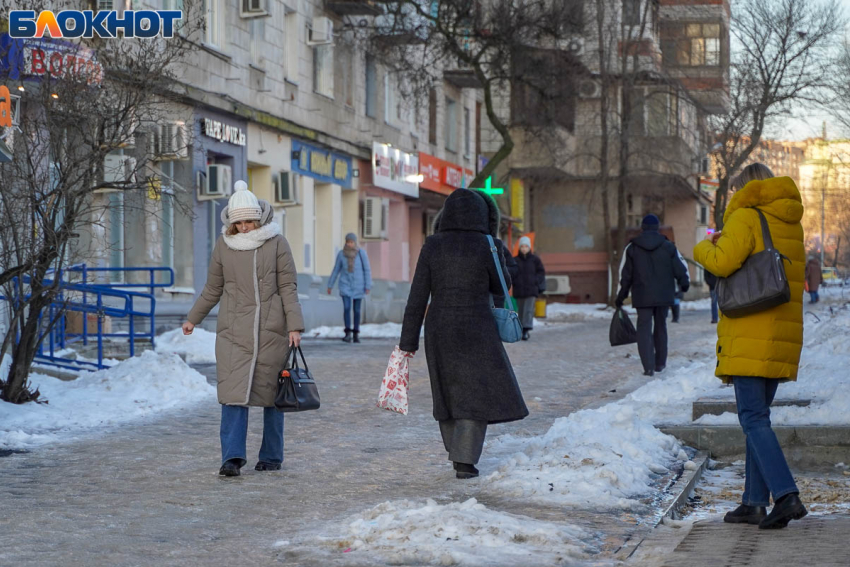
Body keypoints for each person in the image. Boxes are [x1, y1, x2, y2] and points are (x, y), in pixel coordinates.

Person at [694, 163, 807, 530]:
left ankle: (786, 495)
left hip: (750, 331)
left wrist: (702, 247)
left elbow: (724, 262)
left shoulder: (746, 216)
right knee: (758, 419)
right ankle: (754, 502)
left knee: (752, 419)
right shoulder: (790, 221)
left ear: (744, 189)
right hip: (780, 334)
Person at [399, 189, 528, 480]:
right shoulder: (487, 244)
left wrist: (407, 341)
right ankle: (465, 459)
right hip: (477, 327)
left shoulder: (432, 245)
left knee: (446, 392)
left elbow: (417, 296)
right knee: (474, 392)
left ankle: (456, 451)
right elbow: (501, 286)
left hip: (439, 329)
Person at [182, 181, 304, 478]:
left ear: (259, 218)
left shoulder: (277, 243)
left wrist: (294, 326)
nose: (245, 227)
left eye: (249, 220)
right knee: (233, 394)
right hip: (234, 331)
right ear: (231, 222)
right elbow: (213, 287)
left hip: (271, 331)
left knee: (273, 396)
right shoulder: (224, 246)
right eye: (239, 222)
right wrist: (192, 318)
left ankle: (272, 456)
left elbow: (288, 286)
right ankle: (232, 458)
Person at [616, 214, 689, 376]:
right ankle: (660, 363)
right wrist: (684, 284)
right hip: (664, 294)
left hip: (642, 295)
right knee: (661, 326)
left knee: (643, 328)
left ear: (642, 228)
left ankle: (648, 366)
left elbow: (626, 276)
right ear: (657, 228)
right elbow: (679, 268)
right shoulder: (668, 247)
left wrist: (621, 296)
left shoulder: (633, 248)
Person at [327, 233, 372, 344]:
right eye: (348, 242)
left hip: (359, 286)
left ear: (355, 242)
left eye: (352, 242)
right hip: (345, 284)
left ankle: (356, 333)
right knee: (347, 308)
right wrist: (330, 285)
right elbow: (336, 270)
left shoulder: (361, 254)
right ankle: (347, 333)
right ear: (346, 242)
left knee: (356, 310)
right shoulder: (341, 254)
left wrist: (367, 285)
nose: (350, 244)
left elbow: (367, 270)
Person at [513, 236, 546, 341]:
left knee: (528, 310)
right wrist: (515, 281)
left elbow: (541, 272)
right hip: (519, 289)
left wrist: (536, 280)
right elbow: (511, 272)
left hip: (531, 289)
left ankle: (525, 330)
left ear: (529, 247)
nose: (524, 248)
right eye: (522, 246)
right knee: (521, 310)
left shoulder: (535, 260)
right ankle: (521, 329)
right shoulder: (515, 260)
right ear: (519, 247)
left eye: (526, 246)